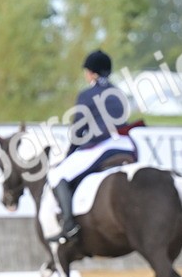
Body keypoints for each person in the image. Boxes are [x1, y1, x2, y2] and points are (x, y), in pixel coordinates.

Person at [38, 49, 135, 244]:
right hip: (127, 145)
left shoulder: (87, 94)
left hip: (102, 146)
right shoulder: (119, 93)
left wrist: (69, 154)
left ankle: (69, 225)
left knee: (57, 175)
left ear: (92, 73)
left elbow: (77, 131)